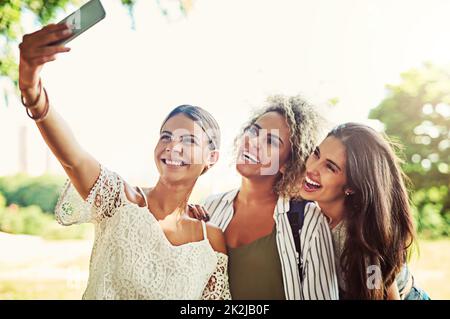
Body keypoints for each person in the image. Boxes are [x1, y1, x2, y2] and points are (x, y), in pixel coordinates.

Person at [18, 23, 230, 300]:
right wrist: (31, 90)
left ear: (211, 158)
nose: (173, 146)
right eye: (166, 136)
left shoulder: (211, 241)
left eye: (189, 140)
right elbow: (73, 158)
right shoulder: (120, 201)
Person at [191, 95, 339, 300]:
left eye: (271, 142)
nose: (253, 143)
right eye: (253, 131)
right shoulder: (210, 207)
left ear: (288, 163)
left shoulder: (308, 221)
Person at [298, 122, 429, 300]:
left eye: (330, 167)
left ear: (351, 186)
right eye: (316, 154)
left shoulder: (366, 238)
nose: (312, 168)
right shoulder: (313, 213)